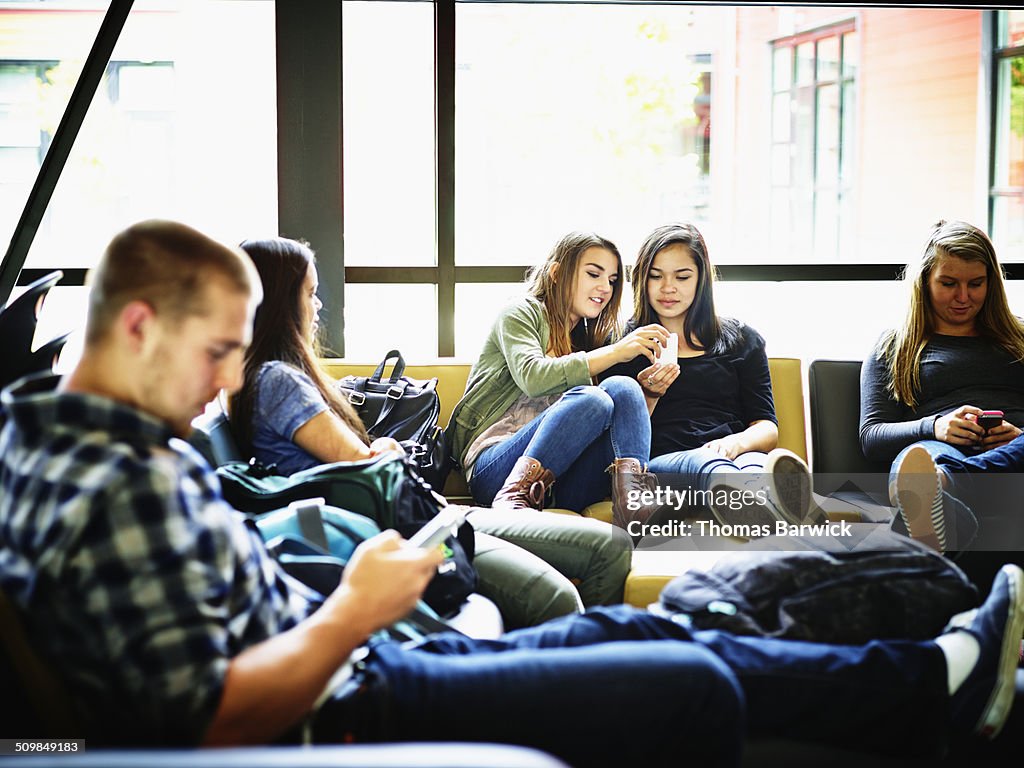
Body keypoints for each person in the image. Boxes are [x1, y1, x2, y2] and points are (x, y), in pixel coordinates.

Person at [1, 220, 1021, 767]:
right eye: (219, 352)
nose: (231, 381)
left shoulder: (103, 447)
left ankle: (926, 678)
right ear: (138, 326)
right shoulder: (109, 482)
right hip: (355, 694)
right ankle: (906, 658)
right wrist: (355, 608)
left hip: (376, 648)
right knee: (690, 681)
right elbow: (206, 720)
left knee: (652, 635)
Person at [228, 236, 631, 629]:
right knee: (571, 582)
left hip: (425, 513)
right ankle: (584, 678)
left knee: (611, 545)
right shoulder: (278, 380)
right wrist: (387, 447)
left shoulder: (269, 379)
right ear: (279, 303)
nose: (317, 306)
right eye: (310, 293)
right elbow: (362, 464)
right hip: (408, 526)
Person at [449, 231, 668, 530]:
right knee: (593, 398)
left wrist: (651, 394)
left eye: (613, 280)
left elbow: (617, 430)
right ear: (556, 272)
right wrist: (617, 352)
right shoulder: (521, 313)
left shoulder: (590, 340)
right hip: (495, 470)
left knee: (624, 387)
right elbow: (533, 377)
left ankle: (636, 510)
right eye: (594, 274)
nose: (605, 288)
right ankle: (514, 499)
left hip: (564, 483)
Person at [603, 223, 814, 531]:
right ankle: (782, 517)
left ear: (701, 279)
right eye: (656, 276)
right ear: (642, 279)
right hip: (663, 464)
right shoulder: (624, 344)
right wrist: (649, 395)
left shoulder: (741, 339)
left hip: (732, 455)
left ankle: (771, 518)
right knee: (709, 465)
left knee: (756, 465)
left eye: (682, 276)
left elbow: (766, 427)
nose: (668, 288)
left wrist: (735, 444)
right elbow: (620, 444)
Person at [860, 219, 1024, 549]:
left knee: (931, 482)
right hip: (938, 451)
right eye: (948, 283)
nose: (963, 297)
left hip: (1015, 455)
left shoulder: (1019, 337)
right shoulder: (895, 346)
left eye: (976, 283)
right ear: (924, 281)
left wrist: (1019, 435)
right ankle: (942, 493)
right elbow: (871, 436)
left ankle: (950, 484)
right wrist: (934, 427)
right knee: (919, 468)